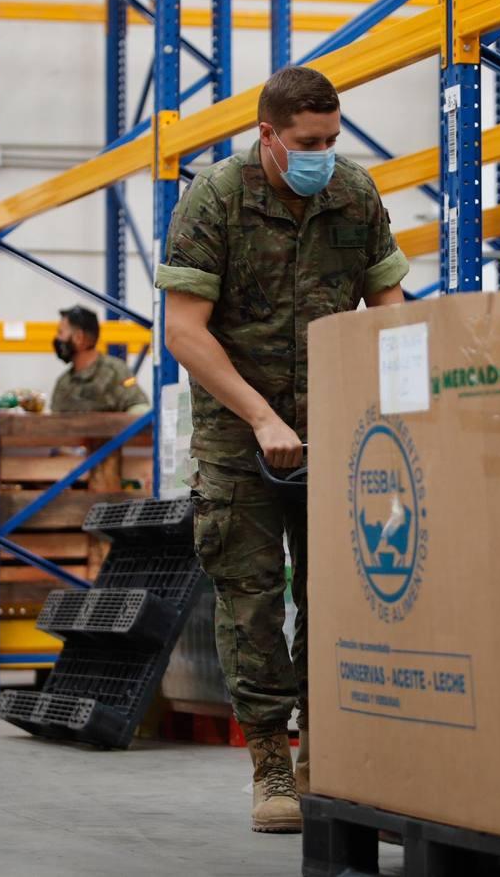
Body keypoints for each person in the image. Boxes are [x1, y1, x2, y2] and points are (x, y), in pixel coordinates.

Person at [157, 66, 408, 834]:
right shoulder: (214, 200)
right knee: (253, 602)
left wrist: (401, 401)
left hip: (338, 432)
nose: (323, 154)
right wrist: (263, 416)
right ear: (268, 134)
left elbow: (388, 305)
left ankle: (325, 753)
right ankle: (271, 760)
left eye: (333, 139)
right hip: (243, 441)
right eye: (308, 142)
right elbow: (184, 331)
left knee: (339, 595)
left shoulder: (354, 195)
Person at [50, 305, 150, 415]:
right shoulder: (64, 383)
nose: (58, 339)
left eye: (61, 332)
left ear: (78, 337)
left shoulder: (115, 372)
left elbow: (140, 410)